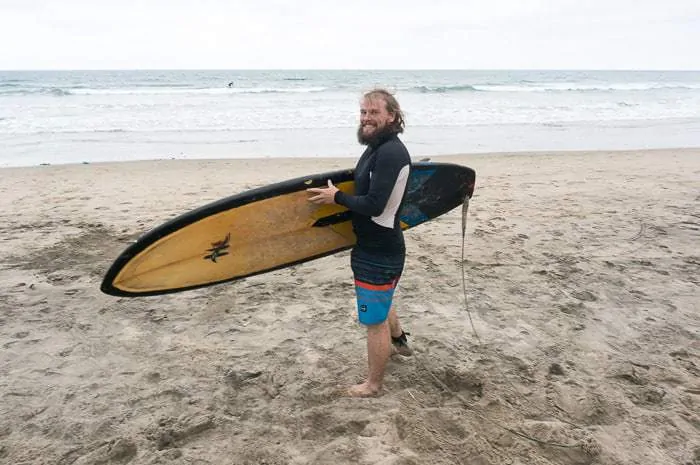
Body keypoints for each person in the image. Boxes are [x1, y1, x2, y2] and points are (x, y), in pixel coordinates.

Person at [307, 88, 413, 397]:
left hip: (378, 251)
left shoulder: (391, 152)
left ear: (391, 116)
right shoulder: (377, 147)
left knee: (373, 321)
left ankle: (373, 385)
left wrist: (335, 197)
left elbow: (375, 204)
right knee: (383, 302)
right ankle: (399, 343)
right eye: (364, 112)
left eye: (374, 113)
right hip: (376, 246)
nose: (366, 118)